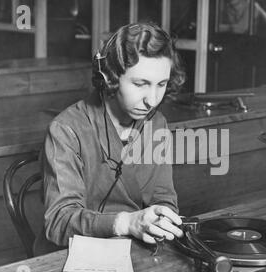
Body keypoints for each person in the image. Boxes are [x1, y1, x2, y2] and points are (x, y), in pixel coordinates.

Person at [34, 22, 186, 255]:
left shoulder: (157, 123)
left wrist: (160, 218)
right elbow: (59, 221)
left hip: (133, 251)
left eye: (161, 84)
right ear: (109, 78)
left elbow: (163, 197)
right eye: (140, 84)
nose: (152, 100)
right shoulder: (65, 129)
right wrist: (127, 223)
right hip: (69, 256)